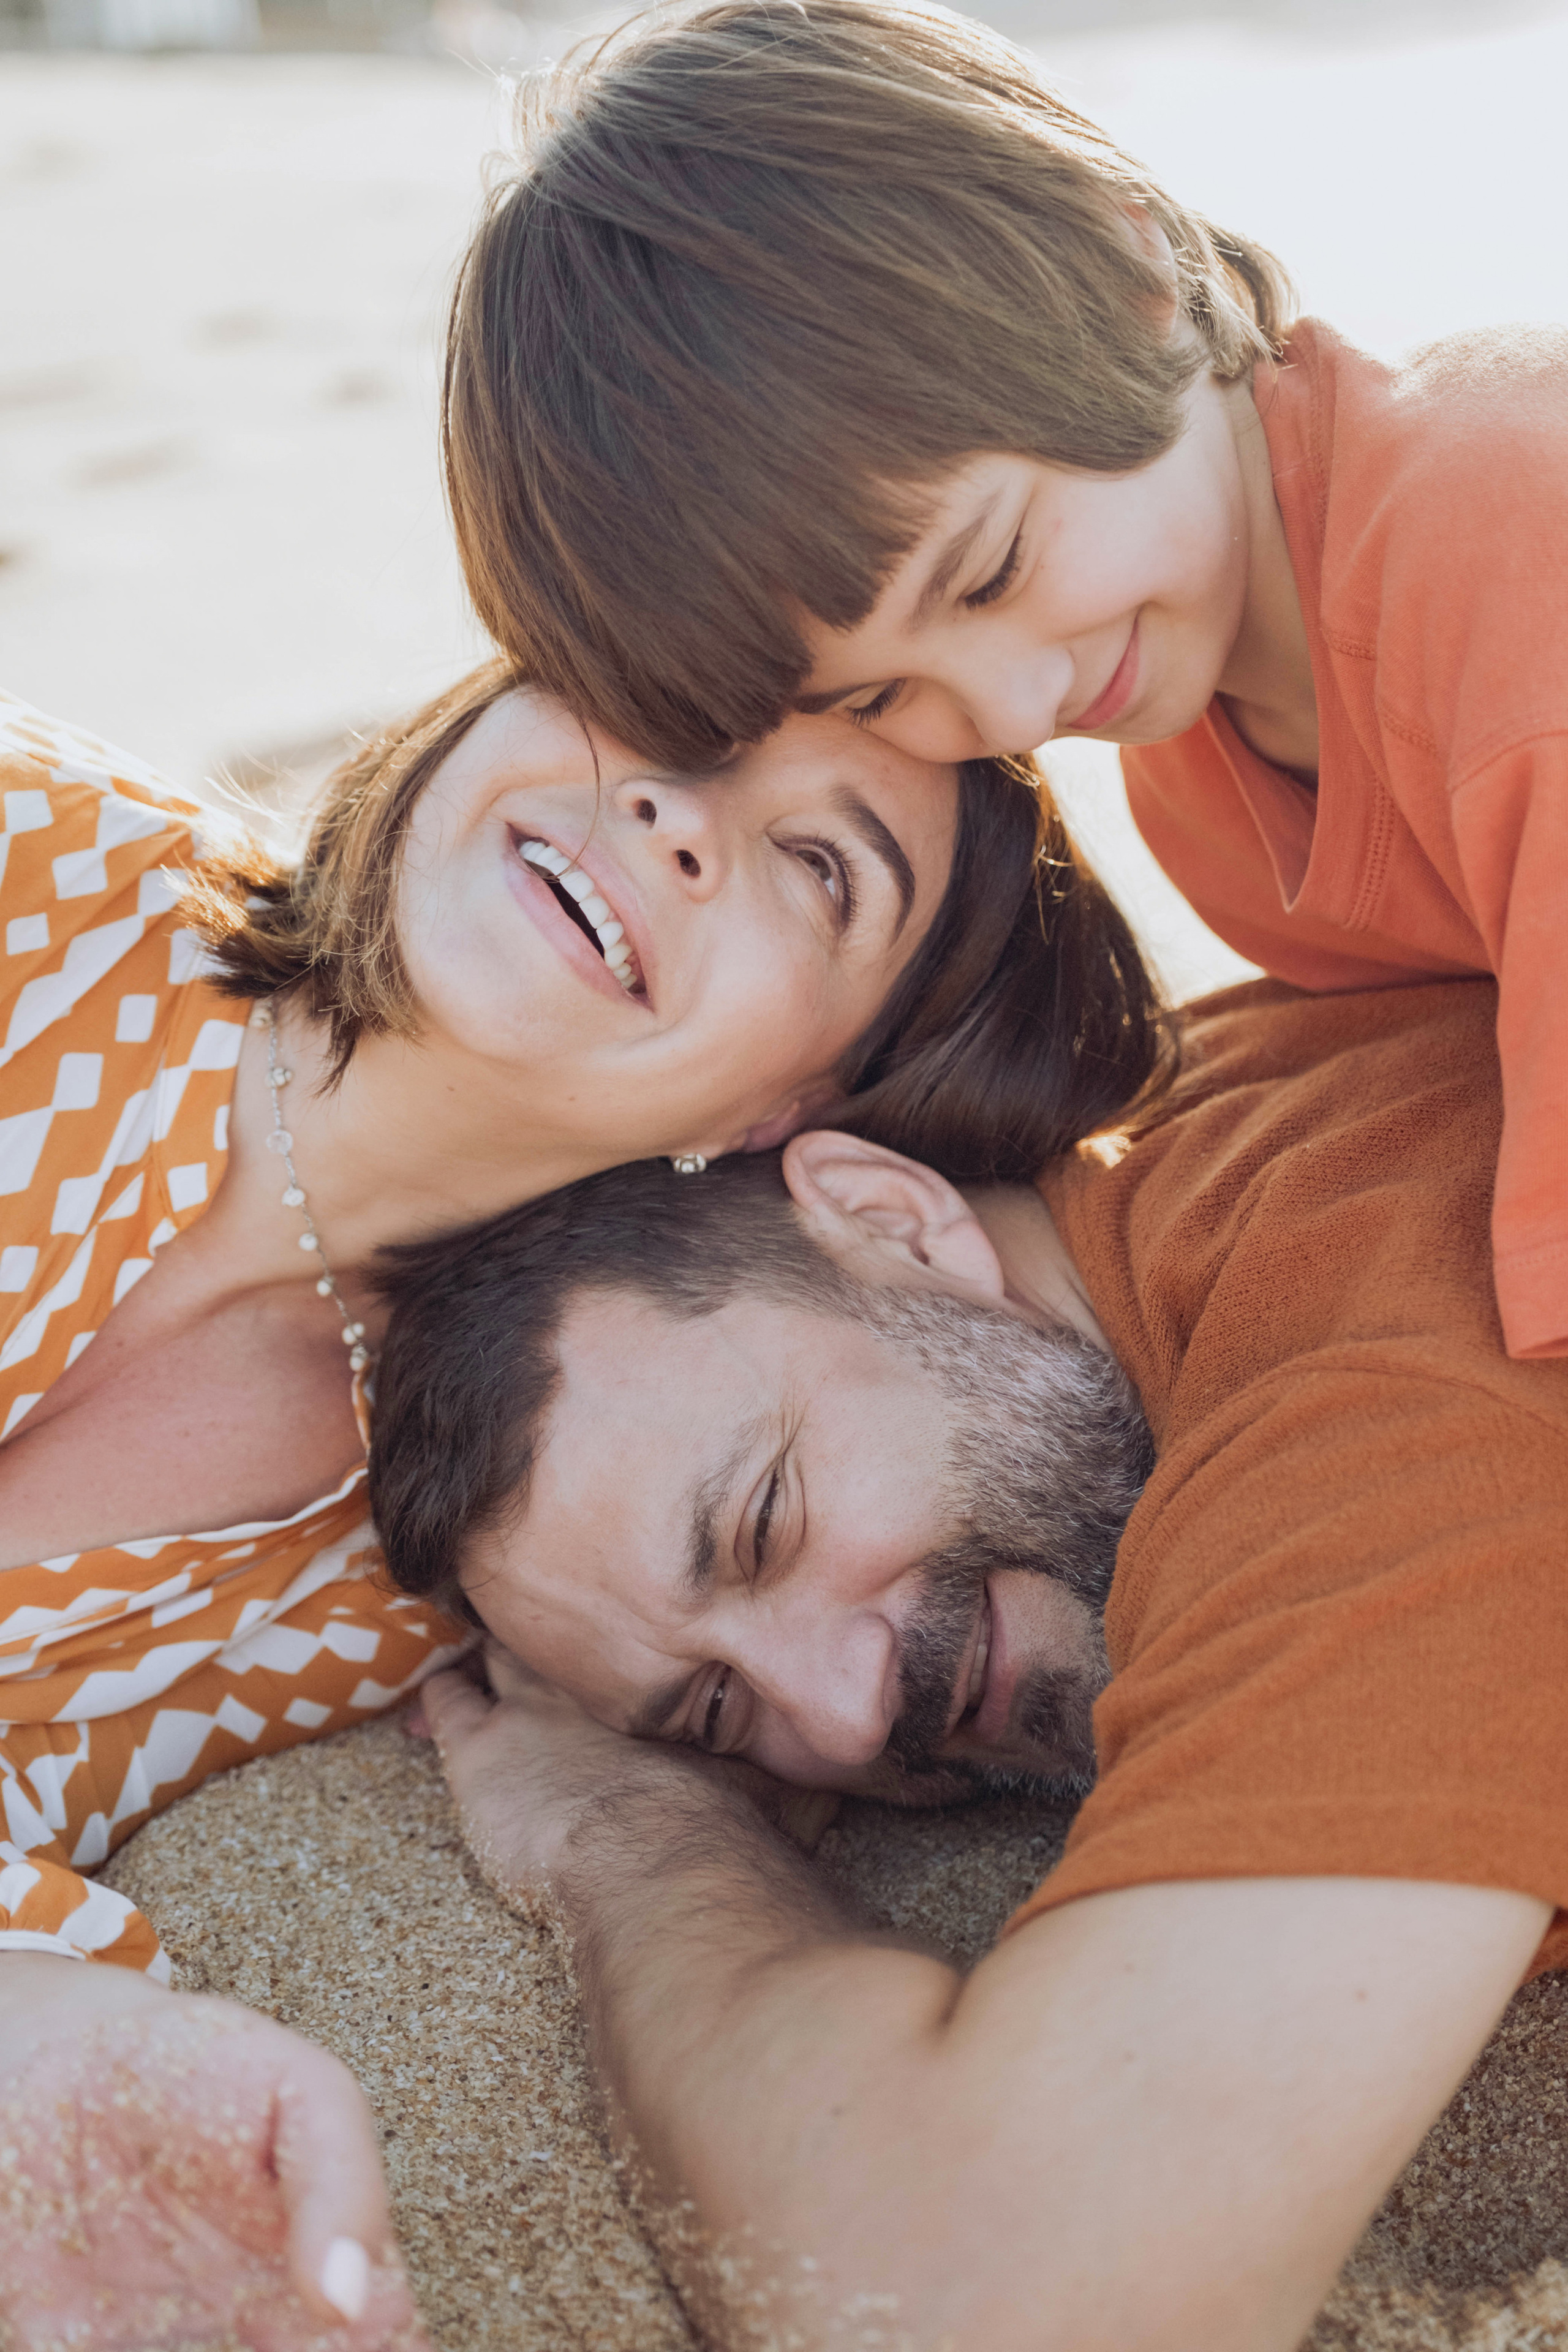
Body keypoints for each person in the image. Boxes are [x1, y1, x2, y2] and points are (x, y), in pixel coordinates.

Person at [0, 674, 1161, 2345]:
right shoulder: (43, 882)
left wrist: (44, 2034)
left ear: (799, 1109)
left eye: (819, 868)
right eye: (646, 696)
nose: (678, 819)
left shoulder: (422, 1567)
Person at [369, 973, 1568, 2352]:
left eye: (764, 1523)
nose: (840, 1711)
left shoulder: (1377, 1385)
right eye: (713, 1711)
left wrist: (628, 1829)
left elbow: (983, 2295)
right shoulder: (1211, 1117)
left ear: (892, 1222)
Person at [440, 0, 1568, 1365]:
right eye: (872, 698)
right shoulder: (1196, 767)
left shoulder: (1505, 549)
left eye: (985, 568)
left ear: (1119, 264)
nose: (1012, 713)